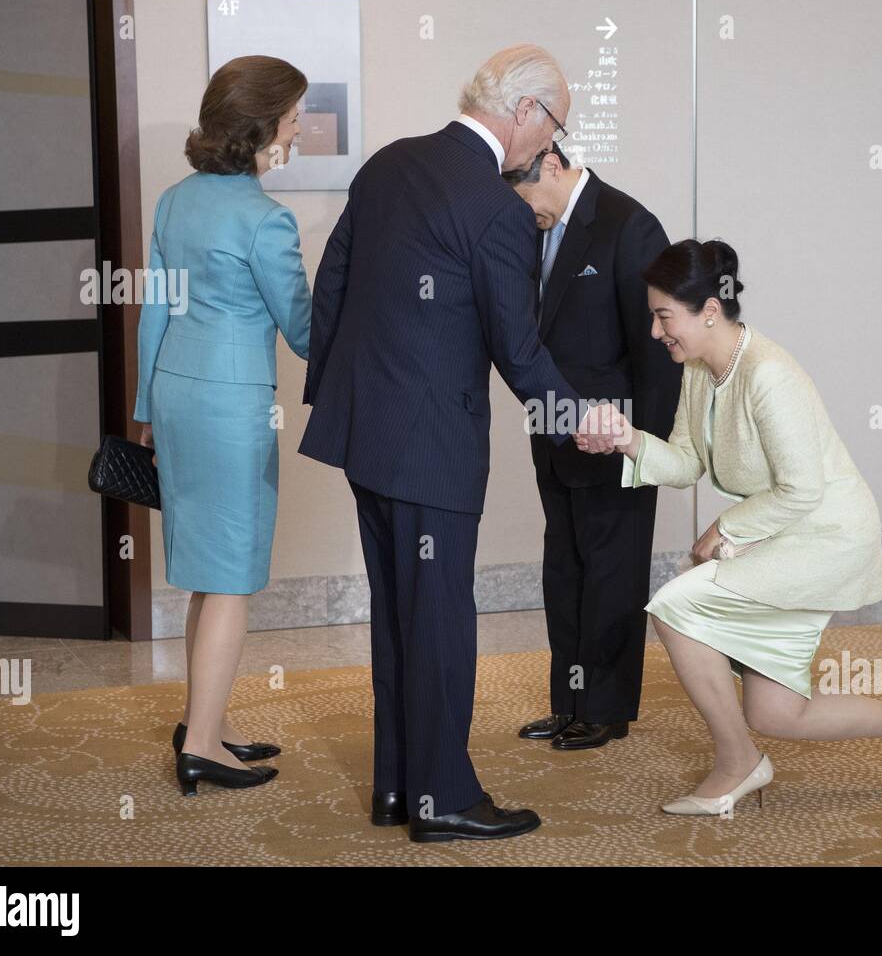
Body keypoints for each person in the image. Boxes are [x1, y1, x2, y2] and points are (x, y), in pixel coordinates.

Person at [298, 44, 614, 843]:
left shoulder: (387, 165)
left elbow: (330, 285)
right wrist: (586, 420)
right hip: (431, 447)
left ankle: (398, 789)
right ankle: (443, 798)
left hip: (366, 434)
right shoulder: (495, 208)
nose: (548, 150)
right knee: (437, 622)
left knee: (398, 619)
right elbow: (519, 349)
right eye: (553, 130)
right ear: (525, 113)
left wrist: (335, 400)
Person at [581, 238, 882, 815]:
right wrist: (628, 440)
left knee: (674, 606)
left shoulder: (768, 375)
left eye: (664, 317)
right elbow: (689, 461)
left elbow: (802, 489)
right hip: (782, 532)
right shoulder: (700, 371)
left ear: (708, 310)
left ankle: (739, 763)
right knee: (776, 712)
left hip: (825, 535)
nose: (656, 332)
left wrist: (725, 527)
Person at [134, 55, 312, 797]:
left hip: (175, 395)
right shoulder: (267, 220)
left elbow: (153, 314)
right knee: (231, 578)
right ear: (263, 127)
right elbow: (302, 330)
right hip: (233, 404)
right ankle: (203, 744)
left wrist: (143, 410)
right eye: (294, 118)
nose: (298, 131)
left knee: (206, 573)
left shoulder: (174, 202)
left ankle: (202, 720)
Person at [502, 144, 682, 750]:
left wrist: (644, 448)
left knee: (612, 574)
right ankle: (570, 701)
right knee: (566, 571)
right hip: (555, 430)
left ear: (550, 163)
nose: (525, 214)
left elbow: (656, 351)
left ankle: (605, 709)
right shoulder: (537, 228)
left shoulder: (629, 225)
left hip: (619, 440)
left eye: (525, 197)